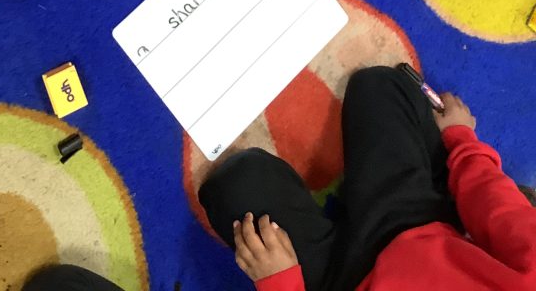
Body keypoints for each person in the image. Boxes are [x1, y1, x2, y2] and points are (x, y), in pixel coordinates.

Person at [199, 65, 536, 290]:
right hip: (417, 229)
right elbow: (500, 212)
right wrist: (461, 138)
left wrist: (279, 283)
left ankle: (434, 168)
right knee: (379, 85)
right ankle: (438, 172)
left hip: (338, 281)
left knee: (234, 186)